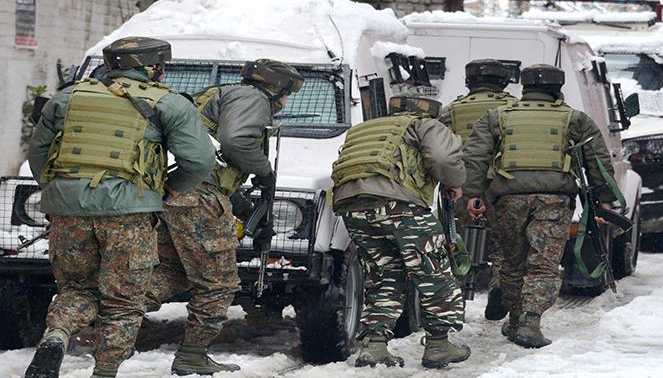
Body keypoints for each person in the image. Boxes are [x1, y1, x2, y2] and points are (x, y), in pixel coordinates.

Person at [24, 36, 215, 378]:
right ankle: (105, 371)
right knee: (123, 300)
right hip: (128, 213)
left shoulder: (68, 97)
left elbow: (38, 154)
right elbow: (200, 162)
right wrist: (171, 189)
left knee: (77, 289)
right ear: (153, 67)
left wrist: (63, 193)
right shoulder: (168, 104)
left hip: (68, 211)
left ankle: (58, 333)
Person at [144, 58, 304, 376]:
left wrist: (245, 207)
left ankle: (84, 314)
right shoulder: (254, 98)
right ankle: (192, 355)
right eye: (288, 93)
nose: (287, 101)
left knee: (168, 276)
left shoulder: (220, 95)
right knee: (219, 284)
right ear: (276, 89)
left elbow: (216, 166)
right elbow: (235, 142)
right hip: (197, 199)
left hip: (174, 194)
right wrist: (264, 170)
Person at [463, 64, 616, 348]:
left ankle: (517, 316)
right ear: (558, 89)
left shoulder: (496, 117)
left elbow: (474, 157)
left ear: (524, 87)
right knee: (543, 264)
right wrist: (605, 198)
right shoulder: (575, 119)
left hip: (508, 200)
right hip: (555, 200)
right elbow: (598, 161)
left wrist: (474, 195)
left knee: (512, 263)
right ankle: (530, 323)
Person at [332, 95, 469, 369]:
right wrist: (454, 182)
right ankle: (439, 344)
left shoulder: (364, 129)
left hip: (353, 208)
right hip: (400, 207)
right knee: (434, 271)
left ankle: (374, 345)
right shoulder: (424, 125)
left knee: (385, 274)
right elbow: (442, 157)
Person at [439, 59, 517, 321]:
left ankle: (455, 303)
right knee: (505, 246)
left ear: (468, 82)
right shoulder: (513, 109)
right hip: (502, 186)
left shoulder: (451, 110)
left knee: (455, 243)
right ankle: (498, 286)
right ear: (503, 82)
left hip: (460, 186)